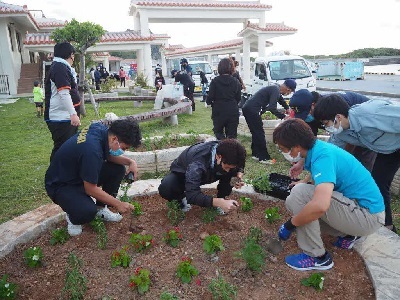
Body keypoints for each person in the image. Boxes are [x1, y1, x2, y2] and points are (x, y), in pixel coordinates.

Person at [273, 118, 385, 271]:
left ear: (297, 146)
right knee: (301, 204)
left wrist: (290, 224)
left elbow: (320, 206)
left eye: (283, 149)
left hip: (366, 217)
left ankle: (317, 257)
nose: (283, 153)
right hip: (365, 213)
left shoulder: (323, 157)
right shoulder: (319, 149)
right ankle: (349, 234)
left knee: (299, 196)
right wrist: (303, 166)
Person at [313, 96, 400, 233]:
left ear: (338, 117)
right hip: (385, 149)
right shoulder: (340, 134)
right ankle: (387, 226)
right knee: (378, 182)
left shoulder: (373, 113)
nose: (326, 128)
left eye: (326, 123)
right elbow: (328, 155)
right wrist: (310, 178)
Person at [45, 119, 142, 236]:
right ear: (114, 139)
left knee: (117, 169)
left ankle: (101, 209)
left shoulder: (100, 130)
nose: (123, 151)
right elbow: (90, 189)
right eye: (125, 148)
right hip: (61, 183)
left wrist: (130, 162)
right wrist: (118, 204)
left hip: (77, 172)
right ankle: (73, 216)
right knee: (87, 211)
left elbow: (107, 154)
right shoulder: (92, 150)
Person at [289, 90, 376, 171]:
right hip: (345, 131)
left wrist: (337, 159)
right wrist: (303, 161)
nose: (306, 118)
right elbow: (312, 141)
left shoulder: (335, 105)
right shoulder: (312, 114)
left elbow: (348, 141)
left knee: (359, 164)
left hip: (368, 129)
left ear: (313, 105)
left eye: (306, 113)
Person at [158, 139, 246, 215]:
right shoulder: (197, 164)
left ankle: (221, 198)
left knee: (231, 173)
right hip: (183, 174)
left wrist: (238, 174)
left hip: (209, 170)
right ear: (219, 157)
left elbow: (240, 163)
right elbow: (192, 196)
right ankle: (180, 199)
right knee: (167, 187)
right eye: (227, 167)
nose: (227, 170)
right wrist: (219, 203)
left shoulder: (229, 150)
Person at [241, 79, 296, 164]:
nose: (288, 94)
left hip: (249, 108)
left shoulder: (276, 88)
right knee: (259, 133)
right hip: (252, 110)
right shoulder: (275, 90)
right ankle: (264, 158)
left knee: (256, 132)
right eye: (290, 92)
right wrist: (284, 117)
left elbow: (280, 99)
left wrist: (287, 108)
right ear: (288, 89)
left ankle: (256, 154)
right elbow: (272, 108)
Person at [44, 42, 81, 161]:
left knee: (67, 147)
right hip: (60, 117)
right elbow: (64, 93)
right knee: (62, 148)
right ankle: (54, 175)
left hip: (64, 115)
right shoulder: (59, 67)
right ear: (71, 55)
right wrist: (73, 114)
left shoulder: (61, 67)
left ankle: (63, 173)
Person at [206, 58, 242, 140]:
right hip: (232, 110)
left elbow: (210, 97)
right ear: (232, 68)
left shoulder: (215, 81)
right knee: (232, 135)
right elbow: (238, 98)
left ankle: (221, 149)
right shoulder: (236, 81)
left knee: (218, 132)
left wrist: (210, 102)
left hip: (218, 110)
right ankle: (231, 151)